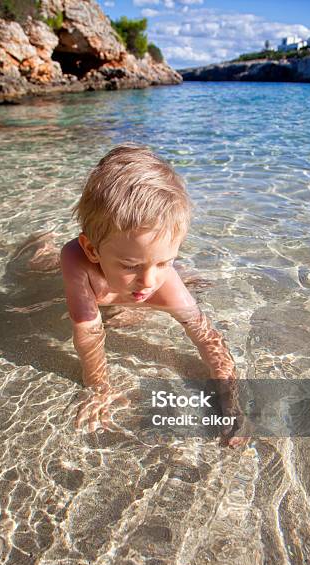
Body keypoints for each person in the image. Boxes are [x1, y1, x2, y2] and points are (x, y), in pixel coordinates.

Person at [60, 143, 249, 448]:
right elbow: (87, 330)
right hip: (104, 292)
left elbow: (207, 337)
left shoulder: (163, 284)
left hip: (138, 292)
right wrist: (99, 389)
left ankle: (180, 274)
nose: (149, 280)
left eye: (164, 261)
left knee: (179, 293)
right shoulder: (75, 260)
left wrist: (231, 404)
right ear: (92, 250)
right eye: (131, 265)